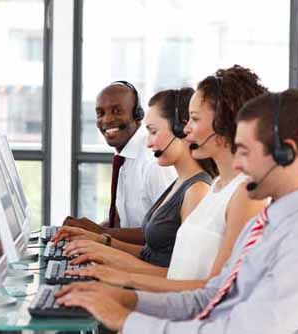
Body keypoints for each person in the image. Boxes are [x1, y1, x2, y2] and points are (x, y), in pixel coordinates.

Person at [55, 89, 298, 334]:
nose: (239, 165)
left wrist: (126, 320)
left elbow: (241, 330)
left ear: (287, 152)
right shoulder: (275, 218)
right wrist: (127, 299)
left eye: (244, 151)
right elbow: (210, 297)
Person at [64, 65, 267, 292]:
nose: (186, 130)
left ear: (223, 122)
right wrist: (102, 249)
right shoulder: (218, 188)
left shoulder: (242, 195)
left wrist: (123, 280)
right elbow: (176, 270)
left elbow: (216, 291)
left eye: (194, 119)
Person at [55, 88, 214, 272]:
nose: (148, 143)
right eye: (100, 113)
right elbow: (150, 254)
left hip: (153, 292)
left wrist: (111, 262)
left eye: (153, 132)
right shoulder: (178, 182)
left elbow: (185, 279)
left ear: (181, 130)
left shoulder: (191, 187)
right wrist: (98, 242)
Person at [64, 81, 176, 244]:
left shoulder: (153, 162)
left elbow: (166, 233)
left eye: (117, 111)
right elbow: (120, 223)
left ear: (137, 115)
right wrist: (83, 231)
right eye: (100, 113)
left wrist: (100, 233)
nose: (107, 119)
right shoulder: (123, 158)